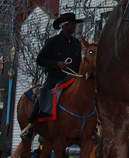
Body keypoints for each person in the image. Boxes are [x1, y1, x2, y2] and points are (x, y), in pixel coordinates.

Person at [20, 12, 82, 140]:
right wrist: (56, 64)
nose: (74, 27)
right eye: (72, 24)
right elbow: (40, 60)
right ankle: (32, 125)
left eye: (74, 24)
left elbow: (79, 62)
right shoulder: (52, 42)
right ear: (65, 26)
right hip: (56, 76)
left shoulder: (76, 43)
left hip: (74, 77)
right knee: (45, 91)